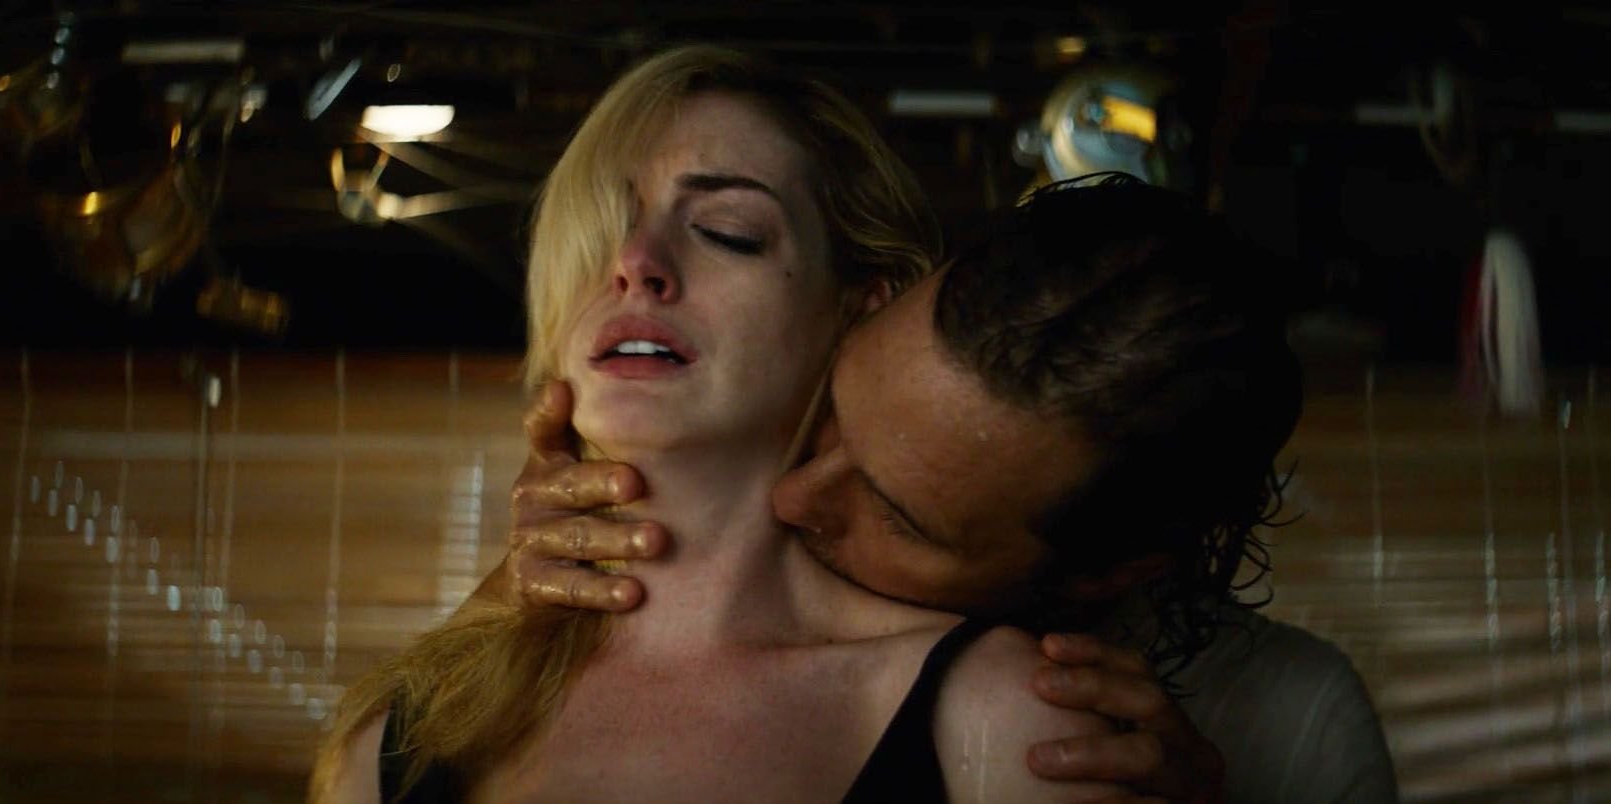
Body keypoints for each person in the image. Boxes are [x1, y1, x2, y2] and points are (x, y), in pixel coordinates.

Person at [312, 45, 1130, 803]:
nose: (635, 261)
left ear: (857, 309)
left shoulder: (1003, 721)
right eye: (602, 223)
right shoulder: (395, 741)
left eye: (727, 232)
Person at [492, 174, 1402, 803]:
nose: (795, 497)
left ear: (1107, 572)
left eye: (896, 517)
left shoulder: (1299, 726)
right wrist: (517, 594)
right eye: (837, 409)